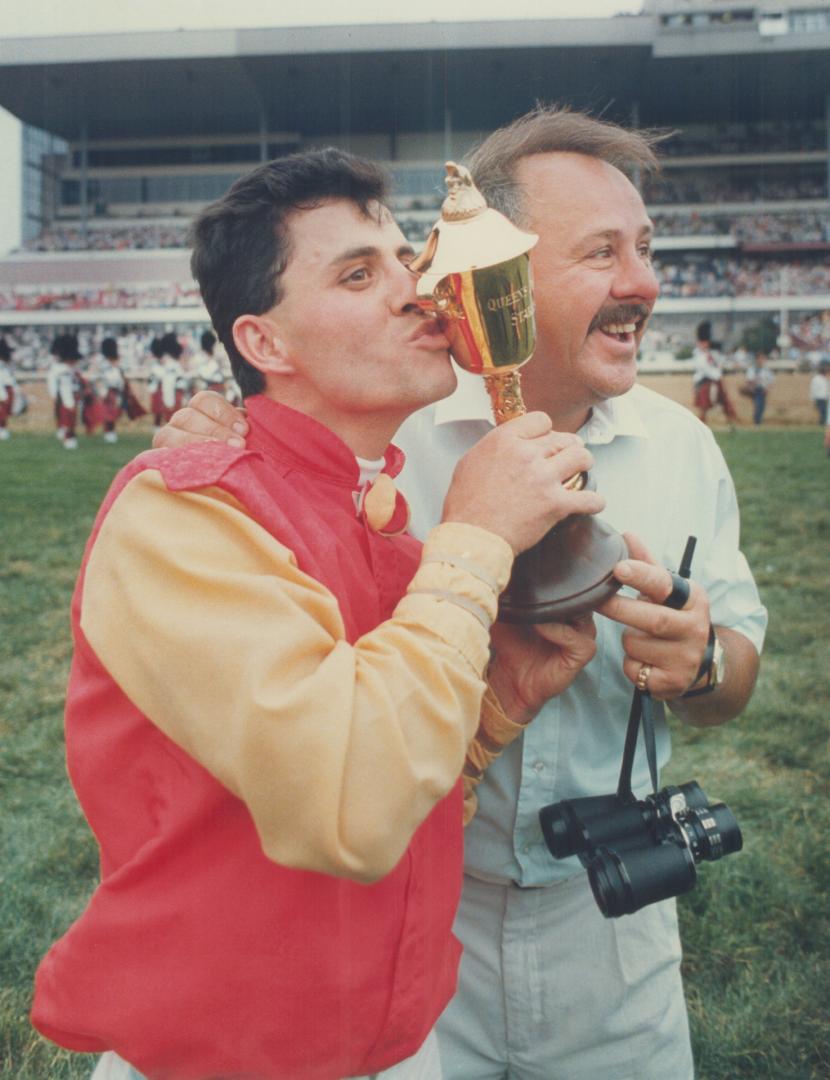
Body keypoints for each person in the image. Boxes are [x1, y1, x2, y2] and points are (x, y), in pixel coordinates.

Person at [165, 107, 768, 1080]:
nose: (642, 284)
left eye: (645, 249)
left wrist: (700, 661)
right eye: (600, 253)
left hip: (609, 922)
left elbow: (738, 670)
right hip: (409, 911)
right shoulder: (379, 436)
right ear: (493, 274)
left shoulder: (682, 448)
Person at [31, 147, 606, 1080]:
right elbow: (351, 799)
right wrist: (478, 535)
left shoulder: (372, 512)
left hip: (385, 1041)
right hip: (220, 1054)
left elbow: (408, 772)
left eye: (403, 258)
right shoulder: (184, 511)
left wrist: (501, 694)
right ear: (264, 345)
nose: (417, 290)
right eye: (357, 272)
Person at [692, 320, 738, 427]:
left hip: (715, 380)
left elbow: (722, 362)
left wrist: (730, 366)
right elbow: (704, 368)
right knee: (704, 404)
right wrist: (717, 375)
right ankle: (702, 422)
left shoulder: (713, 353)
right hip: (704, 381)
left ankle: (731, 419)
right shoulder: (698, 355)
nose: (704, 345)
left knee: (724, 400)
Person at [744, 351, 775, 426]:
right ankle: (757, 422)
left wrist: (768, 388)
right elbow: (749, 380)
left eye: (763, 359)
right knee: (758, 405)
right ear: (756, 359)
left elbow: (771, 380)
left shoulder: (767, 370)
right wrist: (751, 387)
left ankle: (758, 421)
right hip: (756, 390)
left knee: (762, 406)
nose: (761, 361)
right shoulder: (752, 369)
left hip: (763, 390)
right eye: (760, 359)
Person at [0, 336, 19, 440]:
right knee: (2, 411)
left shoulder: (7, 365)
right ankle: (2, 429)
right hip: (3, 388)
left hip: (8, 388)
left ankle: (3, 428)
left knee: (6, 411)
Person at [809, 358, 829, 425]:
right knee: (823, 412)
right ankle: (821, 423)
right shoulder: (817, 378)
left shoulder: (824, 378)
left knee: (825, 412)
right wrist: (812, 398)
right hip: (819, 398)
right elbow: (813, 389)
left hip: (825, 398)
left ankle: (823, 423)